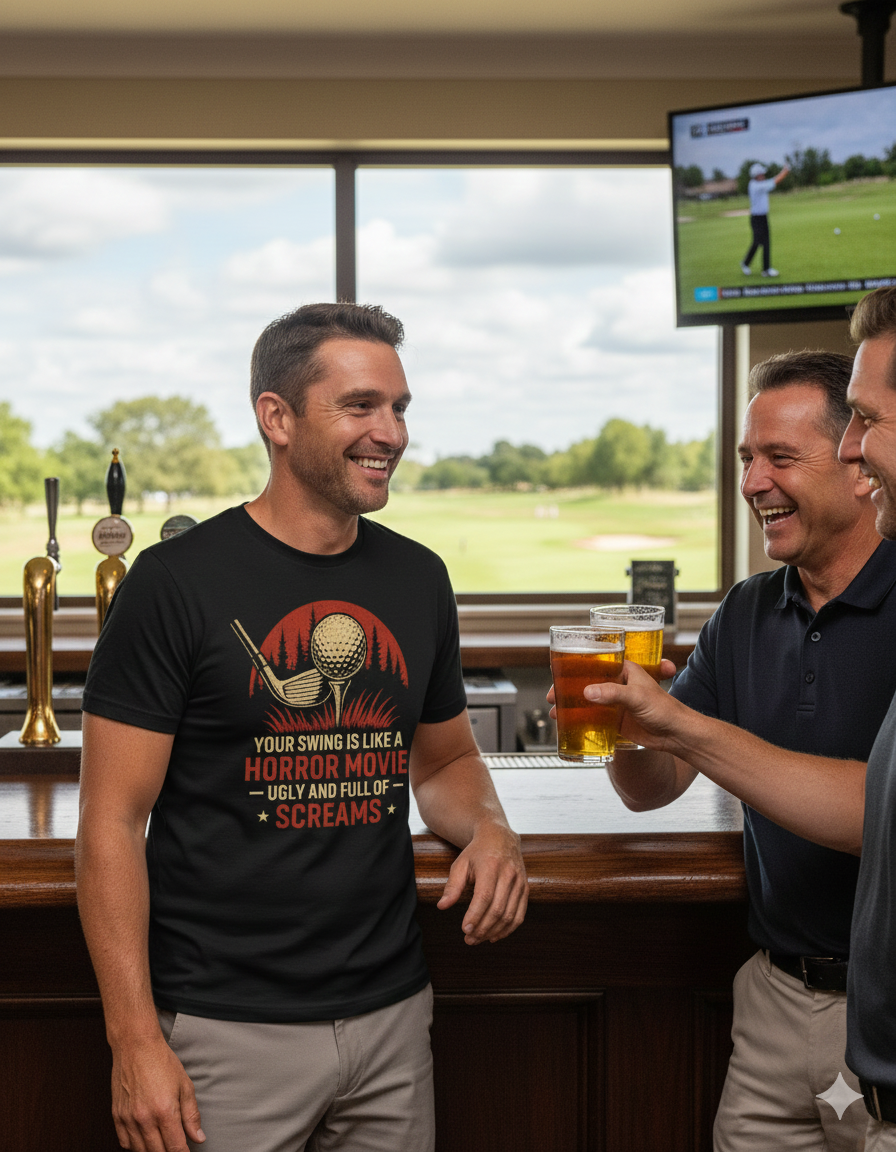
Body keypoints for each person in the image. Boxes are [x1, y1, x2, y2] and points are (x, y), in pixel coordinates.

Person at [75, 302, 528, 1152]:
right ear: (275, 418)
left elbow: (444, 763)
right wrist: (134, 1039)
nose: (390, 432)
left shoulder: (418, 577)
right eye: (361, 406)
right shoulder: (172, 586)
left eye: (399, 408)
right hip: (222, 1031)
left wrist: (493, 828)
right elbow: (111, 821)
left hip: (394, 1017)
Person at [572, 286, 896, 1150]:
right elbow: (652, 788)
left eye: (780, 458)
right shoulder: (747, 609)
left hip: (885, 1004)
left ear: (858, 462)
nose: (753, 482)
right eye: (747, 458)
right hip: (773, 1001)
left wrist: (680, 727)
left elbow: (876, 812)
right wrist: (630, 720)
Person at [741, 160, 790, 278]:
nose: (763, 175)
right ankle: (745, 263)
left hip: (763, 217)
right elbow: (775, 181)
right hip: (756, 218)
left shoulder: (758, 184)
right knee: (757, 242)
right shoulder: (756, 186)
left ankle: (766, 269)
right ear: (756, 175)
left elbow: (772, 181)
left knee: (766, 243)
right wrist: (785, 170)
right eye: (762, 173)